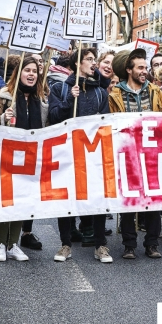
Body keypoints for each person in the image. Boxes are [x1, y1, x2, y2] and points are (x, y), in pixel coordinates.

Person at [48, 47, 112, 263]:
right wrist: (69, 102)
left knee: (98, 198)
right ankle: (65, 244)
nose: (94, 63)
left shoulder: (101, 92)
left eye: (95, 59)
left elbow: (106, 123)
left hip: (92, 155)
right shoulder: (61, 89)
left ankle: (100, 245)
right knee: (66, 200)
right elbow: (54, 118)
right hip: (67, 154)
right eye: (89, 59)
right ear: (77, 64)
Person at [108, 49, 162, 259]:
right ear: (129, 70)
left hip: (152, 155)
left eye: (146, 67)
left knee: (152, 200)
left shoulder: (155, 92)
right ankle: (129, 245)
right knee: (129, 200)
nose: (145, 71)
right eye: (140, 68)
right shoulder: (114, 94)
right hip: (127, 154)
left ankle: (151, 244)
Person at [0, 56, 49, 262]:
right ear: (19, 73)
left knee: (22, 200)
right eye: (27, 70)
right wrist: (4, 117)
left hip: (31, 156)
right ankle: (0, 243)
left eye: (35, 71)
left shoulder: (42, 98)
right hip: (7, 155)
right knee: (6, 199)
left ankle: (13, 244)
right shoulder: (5, 96)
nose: (32, 74)